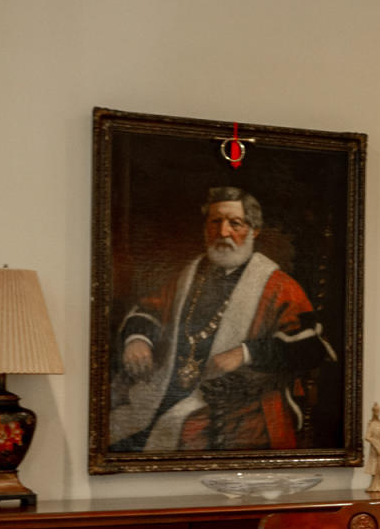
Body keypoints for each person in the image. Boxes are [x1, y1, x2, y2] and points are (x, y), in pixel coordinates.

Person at [108, 185, 325, 453]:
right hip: (168, 389)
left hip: (239, 406)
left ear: (254, 230)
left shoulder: (278, 286)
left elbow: (309, 349)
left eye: (235, 223)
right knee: (117, 427)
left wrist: (246, 352)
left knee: (173, 431)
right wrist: (137, 340)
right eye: (215, 222)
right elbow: (151, 308)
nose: (223, 233)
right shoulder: (191, 275)